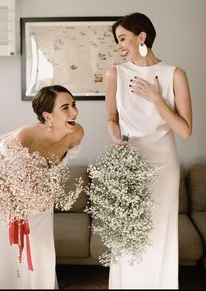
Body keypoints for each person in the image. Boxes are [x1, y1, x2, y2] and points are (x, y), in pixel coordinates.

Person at [105, 12, 192, 289]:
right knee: (126, 233)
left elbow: (185, 131)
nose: (119, 45)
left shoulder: (175, 74)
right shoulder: (114, 74)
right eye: (117, 40)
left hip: (163, 164)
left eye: (122, 38)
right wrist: (114, 133)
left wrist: (157, 99)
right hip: (129, 162)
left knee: (158, 232)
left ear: (141, 37)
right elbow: (111, 117)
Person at [0, 85, 84, 289]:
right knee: (7, 263)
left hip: (41, 207)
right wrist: (16, 204)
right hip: (7, 209)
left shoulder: (75, 133)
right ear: (48, 116)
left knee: (40, 257)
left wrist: (39, 196)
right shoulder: (24, 136)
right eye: (65, 107)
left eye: (74, 104)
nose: (74, 112)